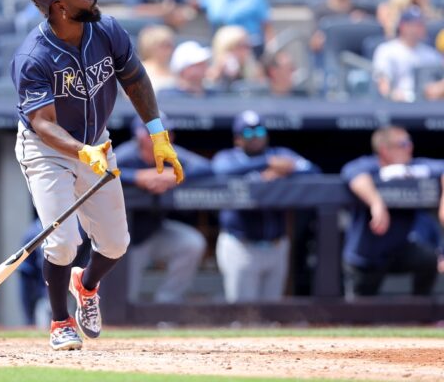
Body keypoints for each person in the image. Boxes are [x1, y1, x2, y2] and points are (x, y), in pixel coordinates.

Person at [11, 0, 184, 351]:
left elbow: (134, 78)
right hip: (47, 150)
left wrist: (157, 133)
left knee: (116, 244)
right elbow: (43, 124)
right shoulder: (33, 56)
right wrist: (80, 151)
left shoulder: (106, 29)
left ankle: (86, 286)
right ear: (60, 6)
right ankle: (60, 321)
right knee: (62, 242)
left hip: (96, 143)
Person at [211, 110, 320, 303]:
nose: (255, 137)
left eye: (259, 131)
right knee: (243, 311)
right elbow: (218, 170)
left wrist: (286, 171)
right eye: (248, 133)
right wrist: (266, 164)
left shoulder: (280, 154)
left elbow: (313, 171)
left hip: (276, 245)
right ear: (237, 139)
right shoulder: (229, 157)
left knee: (271, 311)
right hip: (241, 246)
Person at [116, 116, 211, 303]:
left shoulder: (169, 153)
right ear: (140, 135)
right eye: (156, 133)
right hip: (124, 242)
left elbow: (206, 166)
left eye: (166, 133)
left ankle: (167, 300)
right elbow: (98, 169)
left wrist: (176, 174)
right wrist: (137, 177)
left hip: (155, 231)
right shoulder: (127, 155)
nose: (164, 137)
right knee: (124, 298)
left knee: (191, 244)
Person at [340, 126, 443, 298]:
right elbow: (352, 173)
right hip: (365, 257)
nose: (409, 147)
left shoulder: (414, 167)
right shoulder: (368, 165)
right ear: (385, 150)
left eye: (409, 143)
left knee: (428, 258)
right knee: (359, 310)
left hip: (398, 250)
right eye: (403, 144)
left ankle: (419, 307)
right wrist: (376, 203)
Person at [372, 7, 443, 102]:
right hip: (397, 104)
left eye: (421, 24)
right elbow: (383, 84)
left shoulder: (431, 54)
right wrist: (392, 94)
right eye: (415, 24)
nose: (419, 28)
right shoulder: (386, 50)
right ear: (402, 26)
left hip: (427, 103)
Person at [136, 24, 176, 93]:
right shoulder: (138, 70)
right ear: (150, 46)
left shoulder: (174, 70)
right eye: (164, 45)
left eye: (171, 45)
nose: (170, 50)